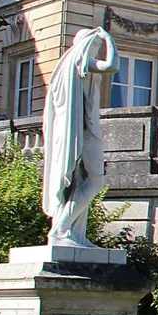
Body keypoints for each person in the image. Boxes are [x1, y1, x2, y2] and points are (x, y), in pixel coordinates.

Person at [41, 26, 119, 246]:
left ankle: (72, 234)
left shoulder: (66, 69)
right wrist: (108, 39)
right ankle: (61, 230)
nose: (95, 50)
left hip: (77, 129)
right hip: (80, 131)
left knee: (79, 182)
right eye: (93, 46)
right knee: (95, 180)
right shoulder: (79, 62)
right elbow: (112, 66)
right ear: (84, 46)